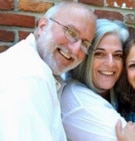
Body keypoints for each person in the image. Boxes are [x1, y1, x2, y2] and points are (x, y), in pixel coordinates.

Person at [0, 2, 96, 141]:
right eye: (71, 32)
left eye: (85, 44)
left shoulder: (29, 64)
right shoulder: (30, 79)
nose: (76, 49)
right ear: (43, 26)